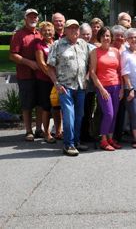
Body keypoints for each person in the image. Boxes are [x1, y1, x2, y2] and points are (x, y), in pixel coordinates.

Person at [46, 19, 91, 156]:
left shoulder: (83, 44)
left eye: (76, 28)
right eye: (70, 28)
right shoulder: (57, 45)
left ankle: (76, 141)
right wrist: (57, 84)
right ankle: (68, 144)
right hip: (65, 87)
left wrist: (88, 77)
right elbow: (50, 66)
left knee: (79, 115)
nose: (74, 31)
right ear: (65, 30)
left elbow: (90, 64)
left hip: (81, 86)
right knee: (69, 116)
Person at [9, 8, 42, 142]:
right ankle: (28, 131)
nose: (33, 19)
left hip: (41, 75)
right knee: (27, 104)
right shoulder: (19, 35)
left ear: (38, 19)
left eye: (35, 17)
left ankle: (39, 129)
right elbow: (12, 55)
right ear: (25, 19)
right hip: (25, 75)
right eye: (30, 17)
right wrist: (28, 63)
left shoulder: (40, 34)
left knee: (41, 103)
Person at [89, 27, 123, 151]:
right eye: (103, 35)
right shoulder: (95, 52)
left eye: (108, 35)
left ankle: (110, 138)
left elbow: (120, 71)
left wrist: (122, 88)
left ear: (111, 37)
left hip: (117, 86)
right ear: (100, 37)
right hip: (103, 87)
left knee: (114, 115)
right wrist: (101, 89)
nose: (106, 38)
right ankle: (103, 140)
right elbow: (92, 72)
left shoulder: (115, 51)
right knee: (109, 114)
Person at [33, 21, 56, 144]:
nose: (48, 32)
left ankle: (58, 131)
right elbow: (42, 64)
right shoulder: (39, 45)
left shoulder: (56, 43)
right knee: (46, 107)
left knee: (57, 107)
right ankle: (46, 133)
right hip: (45, 81)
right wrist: (53, 78)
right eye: (45, 30)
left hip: (57, 80)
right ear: (41, 32)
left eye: (50, 30)